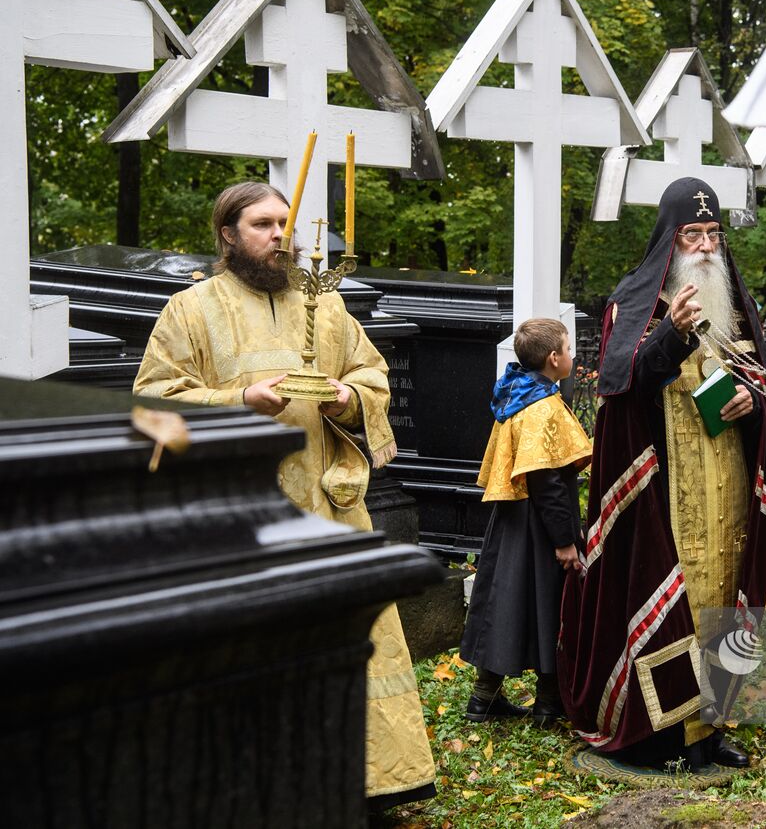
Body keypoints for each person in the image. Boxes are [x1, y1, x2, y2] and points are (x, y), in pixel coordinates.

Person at [133, 181, 436, 809]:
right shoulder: (190, 309)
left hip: (329, 510)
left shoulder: (324, 307)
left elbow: (371, 373)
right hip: (242, 521)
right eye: (263, 225)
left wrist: (350, 398)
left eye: (285, 224)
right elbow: (152, 406)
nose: (280, 237)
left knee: (352, 638)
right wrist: (238, 400)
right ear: (228, 235)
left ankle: (368, 782)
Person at [558, 177, 766, 772]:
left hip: (727, 473)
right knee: (674, 589)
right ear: (671, 239)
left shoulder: (736, 302)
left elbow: (762, 383)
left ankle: (711, 727)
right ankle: (663, 733)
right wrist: (670, 334)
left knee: (723, 588)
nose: (706, 246)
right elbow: (619, 389)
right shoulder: (634, 301)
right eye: (692, 234)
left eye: (713, 233)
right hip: (664, 484)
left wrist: (751, 406)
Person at [461, 318, 592, 725]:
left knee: (506, 602)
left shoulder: (517, 393)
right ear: (554, 359)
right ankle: (549, 705)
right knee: (552, 605)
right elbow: (547, 479)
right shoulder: (542, 409)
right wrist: (565, 540)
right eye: (569, 349)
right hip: (541, 525)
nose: (573, 355)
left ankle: (484, 699)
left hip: (511, 519)